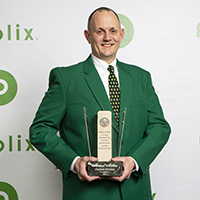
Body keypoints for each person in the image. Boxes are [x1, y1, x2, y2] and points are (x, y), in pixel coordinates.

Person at [29, 7, 171, 200]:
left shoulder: (141, 78)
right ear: (88, 36)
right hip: (87, 193)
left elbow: (159, 127)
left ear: (121, 35)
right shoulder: (66, 78)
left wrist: (134, 161)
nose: (107, 38)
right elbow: (40, 129)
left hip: (135, 192)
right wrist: (74, 162)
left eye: (112, 31)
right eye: (99, 31)